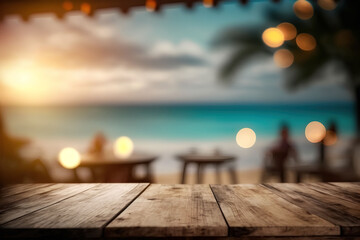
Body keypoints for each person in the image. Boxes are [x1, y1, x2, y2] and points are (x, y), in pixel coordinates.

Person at [0, 109, 51, 184]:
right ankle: (49, 184)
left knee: (37, 169)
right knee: (38, 162)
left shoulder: (5, 140)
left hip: (10, 169)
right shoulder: (4, 140)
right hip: (9, 172)